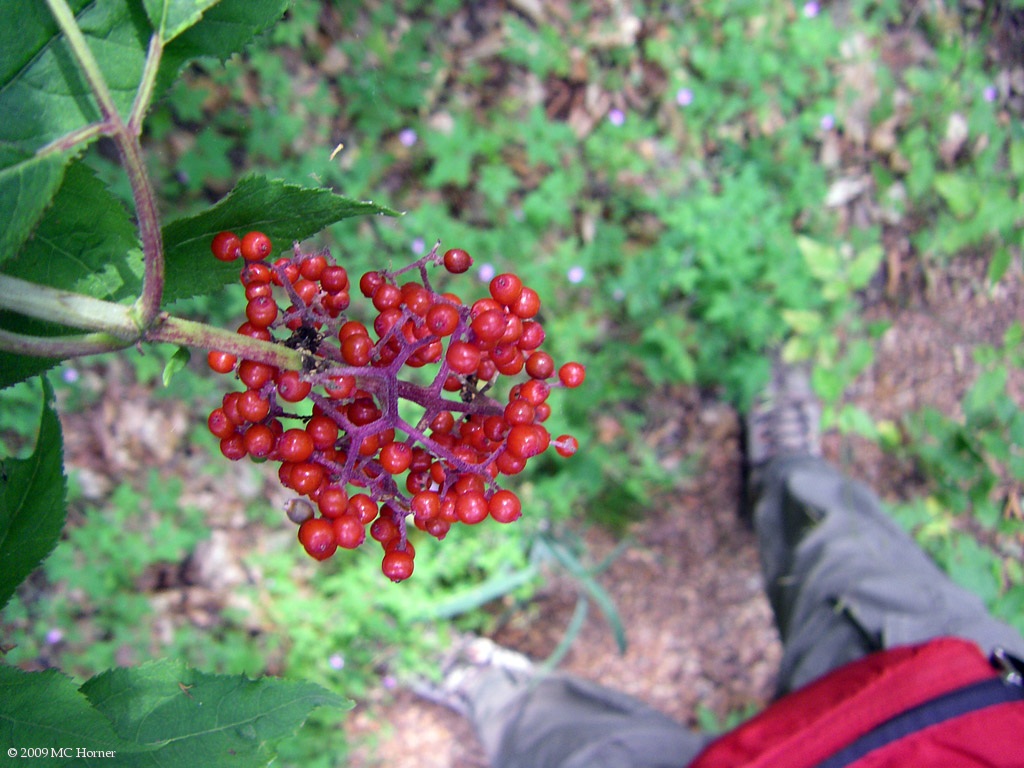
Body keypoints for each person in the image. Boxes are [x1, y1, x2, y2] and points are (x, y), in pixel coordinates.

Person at [414, 361, 1024, 767]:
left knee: (589, 755)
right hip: (963, 704)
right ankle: (787, 468)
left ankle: (490, 690)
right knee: (852, 567)